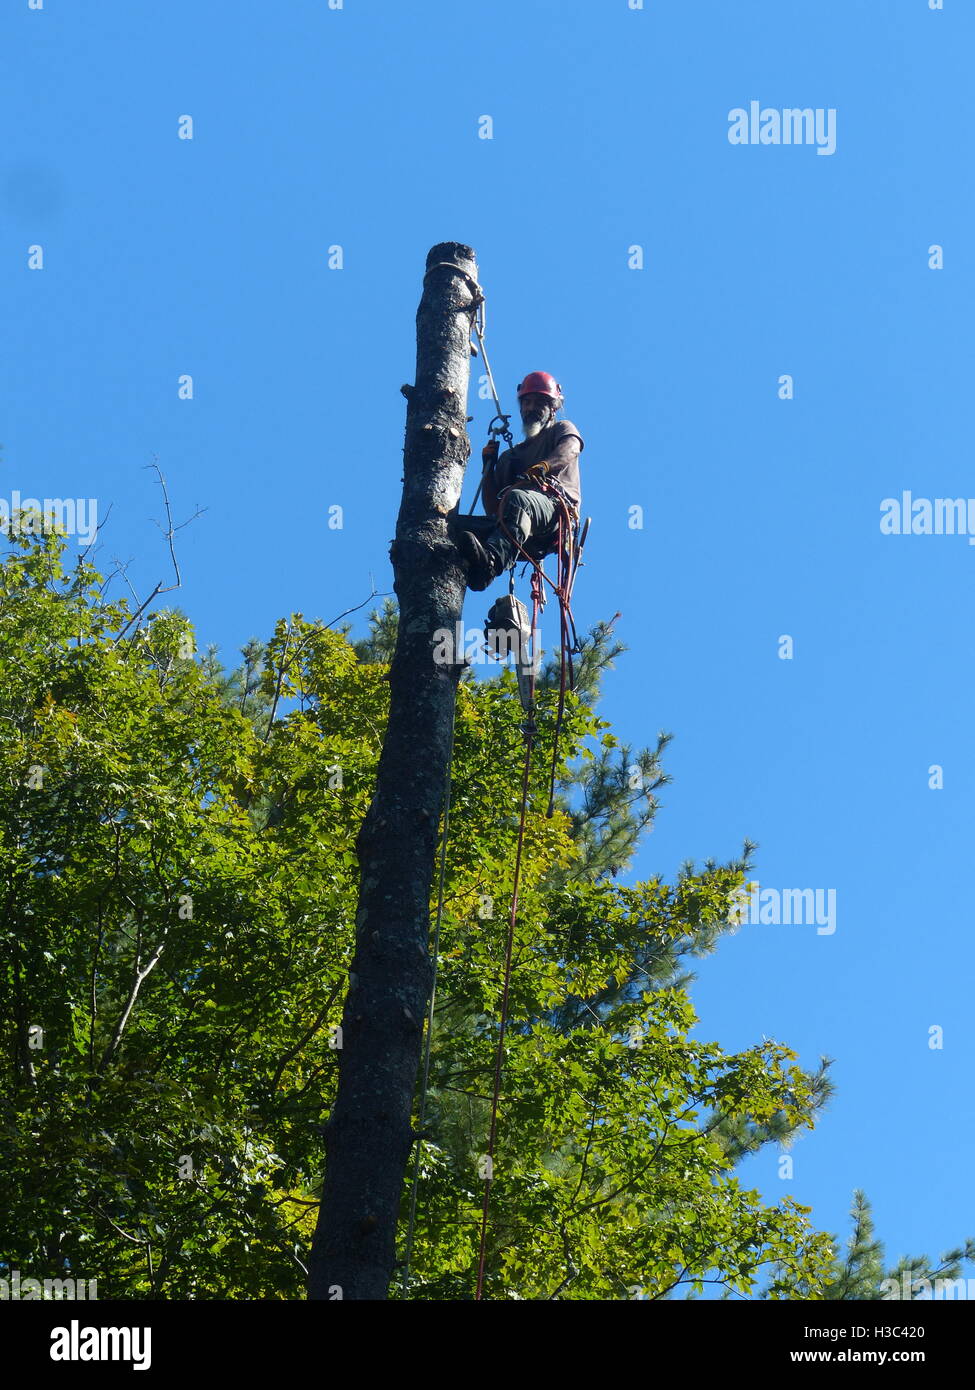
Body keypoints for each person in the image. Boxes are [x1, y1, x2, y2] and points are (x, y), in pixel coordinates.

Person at [458, 371, 584, 591]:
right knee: (455, 527)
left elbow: (571, 449)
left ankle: (490, 564)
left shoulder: (561, 429)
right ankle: (465, 569)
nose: (530, 408)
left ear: (553, 407)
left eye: (539, 402)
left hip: (554, 512)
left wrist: (545, 467)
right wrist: (488, 468)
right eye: (526, 402)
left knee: (518, 499)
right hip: (517, 529)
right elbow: (493, 510)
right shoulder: (511, 458)